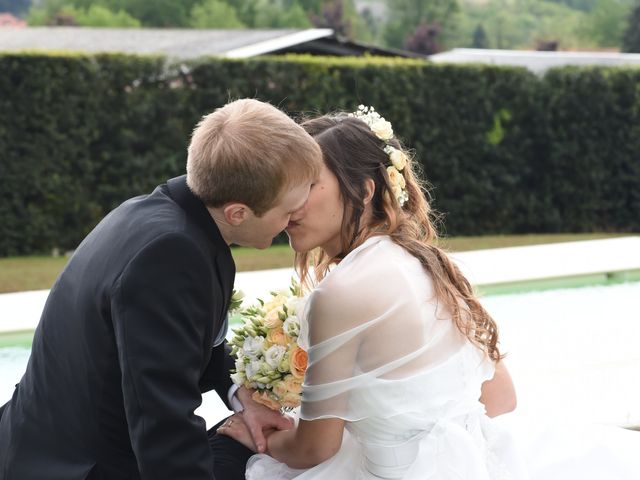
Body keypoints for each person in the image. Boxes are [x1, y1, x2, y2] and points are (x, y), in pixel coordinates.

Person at [218, 107, 640, 479]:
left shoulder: (339, 292)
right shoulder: (433, 264)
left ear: (364, 191)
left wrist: (260, 438)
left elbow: (313, 450)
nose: (290, 202)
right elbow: (501, 398)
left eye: (308, 186)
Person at [0, 99, 323, 480]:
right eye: (287, 211)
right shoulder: (171, 258)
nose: (293, 219)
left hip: (39, 442)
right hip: (78, 467)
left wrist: (242, 397)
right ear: (238, 212)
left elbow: (198, 343)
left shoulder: (156, 216)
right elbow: (161, 421)